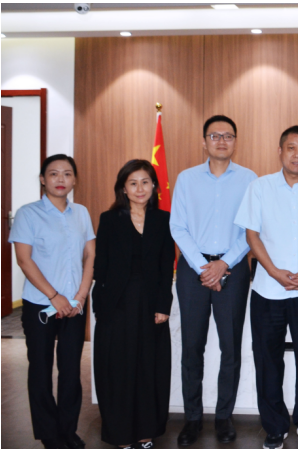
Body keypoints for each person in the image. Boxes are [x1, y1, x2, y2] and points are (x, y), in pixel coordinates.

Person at [234, 126, 298, 449]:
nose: (297, 154)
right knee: (268, 361)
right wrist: (273, 272)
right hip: (267, 290)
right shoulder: (259, 187)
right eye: (291, 148)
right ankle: (274, 426)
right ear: (280, 151)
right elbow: (251, 235)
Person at [170, 115, 257, 446]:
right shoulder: (187, 179)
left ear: (236, 141)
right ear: (204, 141)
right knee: (192, 346)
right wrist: (203, 268)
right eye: (215, 135)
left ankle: (223, 417)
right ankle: (192, 418)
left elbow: (251, 230)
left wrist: (223, 264)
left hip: (233, 269)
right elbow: (178, 227)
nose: (222, 141)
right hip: (193, 271)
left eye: (228, 136)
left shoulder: (249, 179)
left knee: (230, 346)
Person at [9, 154, 95, 449]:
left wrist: (80, 296)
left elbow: (90, 255)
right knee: (41, 368)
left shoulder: (81, 213)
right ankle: (49, 434)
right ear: (43, 180)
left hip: (76, 305)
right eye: (54, 173)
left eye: (67, 174)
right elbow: (24, 260)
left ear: (74, 180)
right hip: (40, 305)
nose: (61, 179)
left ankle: (68, 430)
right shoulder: (28, 214)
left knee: (71, 370)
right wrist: (54, 296)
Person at [93, 160, 175, 449]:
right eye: (133, 183)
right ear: (123, 188)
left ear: (154, 186)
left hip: (151, 306)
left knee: (149, 368)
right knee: (118, 368)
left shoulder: (163, 219)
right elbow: (100, 266)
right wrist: (100, 307)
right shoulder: (109, 219)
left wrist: (164, 305)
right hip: (116, 306)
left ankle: (145, 431)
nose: (140, 188)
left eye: (145, 182)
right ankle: (120, 434)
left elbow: (166, 266)